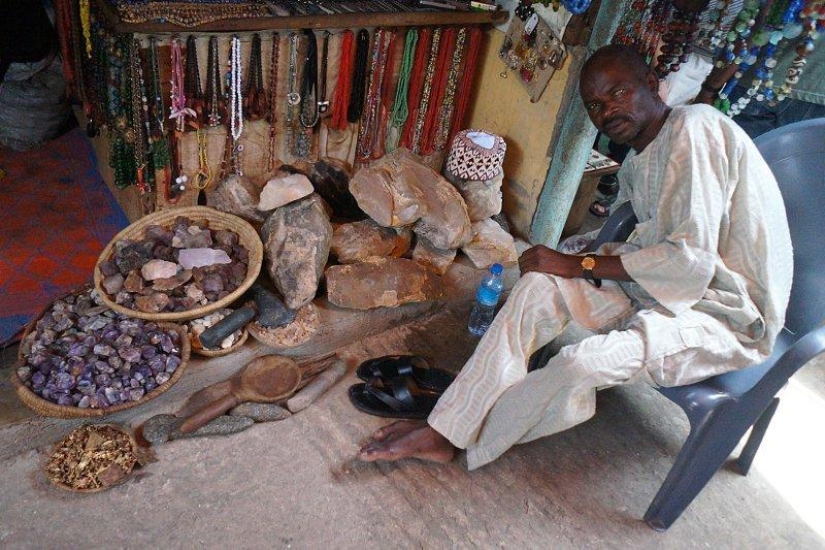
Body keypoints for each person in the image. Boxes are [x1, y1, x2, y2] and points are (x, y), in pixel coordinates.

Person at [357, 44, 793, 468]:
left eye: (619, 92)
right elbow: (652, 245)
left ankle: (469, 438)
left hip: (722, 314)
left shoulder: (694, 128)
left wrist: (577, 264)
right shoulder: (639, 160)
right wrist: (572, 261)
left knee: (579, 363)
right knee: (536, 286)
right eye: (595, 104)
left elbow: (689, 263)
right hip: (653, 286)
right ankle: (445, 428)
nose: (608, 111)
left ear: (652, 84)